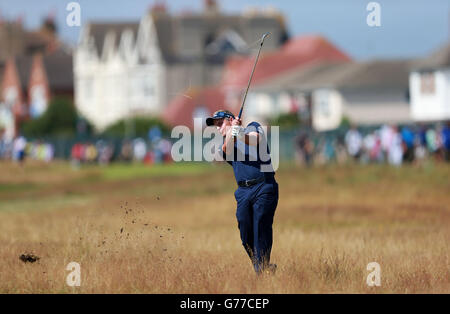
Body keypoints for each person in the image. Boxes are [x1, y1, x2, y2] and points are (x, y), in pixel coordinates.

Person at [206, 110, 279, 275]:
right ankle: (264, 267)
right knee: (245, 233)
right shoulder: (227, 144)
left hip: (264, 186)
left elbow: (255, 140)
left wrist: (239, 131)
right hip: (243, 192)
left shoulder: (253, 127)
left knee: (261, 226)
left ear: (230, 120)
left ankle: (261, 271)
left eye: (220, 124)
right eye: (216, 126)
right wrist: (232, 134)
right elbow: (218, 158)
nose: (218, 129)